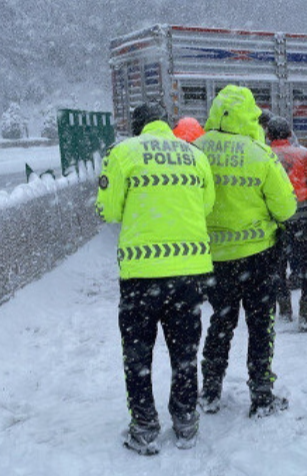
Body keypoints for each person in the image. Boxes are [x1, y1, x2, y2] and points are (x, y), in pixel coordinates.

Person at [95, 102, 215, 455]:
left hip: (141, 278)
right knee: (184, 352)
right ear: (166, 123)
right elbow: (206, 205)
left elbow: (109, 209)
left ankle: (145, 426)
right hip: (188, 276)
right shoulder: (194, 154)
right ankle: (186, 421)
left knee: (138, 354)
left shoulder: (123, 154)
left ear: (137, 128)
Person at [193, 85, 297, 418]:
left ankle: (209, 390)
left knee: (220, 323)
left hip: (212, 260)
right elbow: (285, 209)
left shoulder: (195, 151)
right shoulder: (259, 153)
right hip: (258, 259)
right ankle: (262, 395)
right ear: (249, 115)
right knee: (260, 327)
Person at [267, 116, 307, 332]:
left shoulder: (265, 156)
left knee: (278, 266)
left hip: (276, 222)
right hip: (301, 220)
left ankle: (284, 309)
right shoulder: (302, 155)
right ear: (289, 134)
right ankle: (306, 313)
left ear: (269, 135)